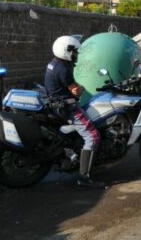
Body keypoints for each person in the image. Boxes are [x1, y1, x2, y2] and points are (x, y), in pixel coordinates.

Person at [44, 35, 104, 188]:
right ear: (66, 51)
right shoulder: (63, 69)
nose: (76, 54)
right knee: (93, 136)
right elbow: (76, 91)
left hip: (56, 104)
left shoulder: (54, 63)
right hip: (67, 108)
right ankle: (84, 178)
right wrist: (83, 87)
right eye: (74, 51)